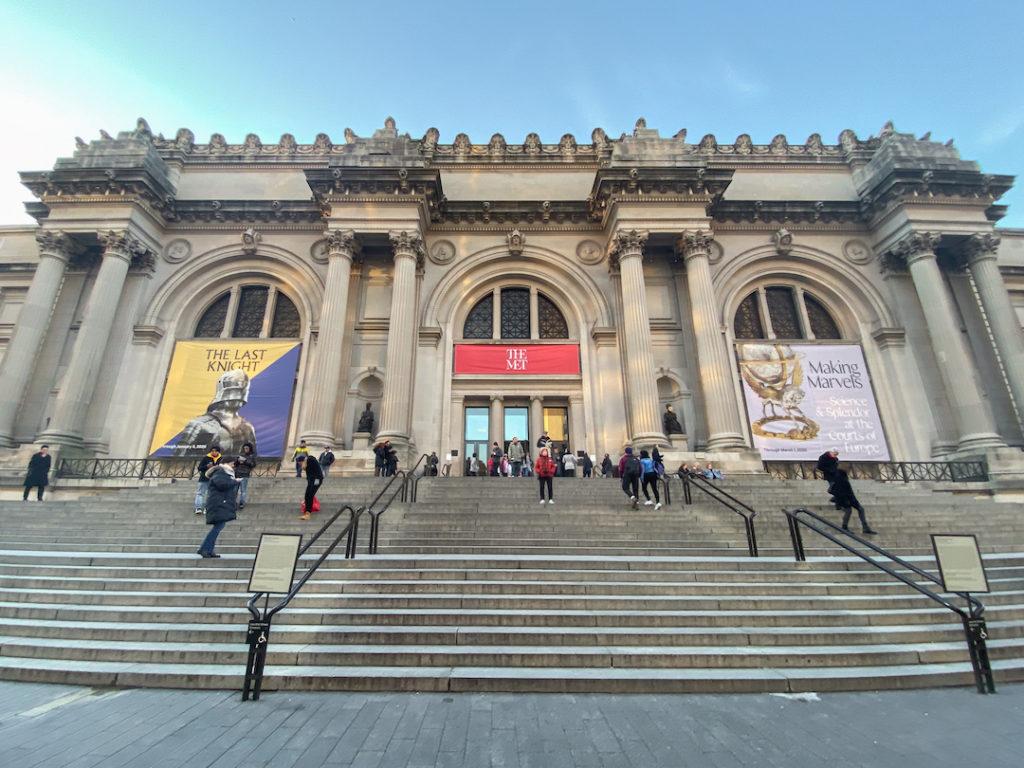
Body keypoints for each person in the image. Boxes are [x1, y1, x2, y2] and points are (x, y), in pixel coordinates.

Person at [172, 370, 258, 457]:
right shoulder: (199, 424)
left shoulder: (248, 428)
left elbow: (253, 457)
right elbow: (178, 457)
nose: (237, 397)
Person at [197, 460, 239, 559]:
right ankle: (205, 549)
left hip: (220, 504)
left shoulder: (224, 473)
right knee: (217, 528)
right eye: (232, 463)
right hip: (218, 504)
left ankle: (207, 549)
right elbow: (222, 485)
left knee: (218, 527)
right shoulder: (221, 472)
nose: (234, 466)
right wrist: (235, 481)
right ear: (226, 463)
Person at [831, 469, 877, 535]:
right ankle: (863, 527)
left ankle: (848, 527)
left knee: (851, 510)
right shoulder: (842, 481)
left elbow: (837, 491)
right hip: (848, 499)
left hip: (847, 499)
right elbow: (846, 492)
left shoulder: (838, 481)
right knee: (855, 510)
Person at [194, 446, 222, 515]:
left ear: (218, 452)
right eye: (212, 451)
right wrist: (206, 466)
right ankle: (198, 508)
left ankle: (207, 508)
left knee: (211, 494)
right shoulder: (206, 458)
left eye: (215, 451)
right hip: (204, 478)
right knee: (200, 493)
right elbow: (199, 468)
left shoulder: (221, 459)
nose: (214, 452)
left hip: (214, 479)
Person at [299, 453, 324, 521]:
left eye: (300, 463)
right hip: (312, 480)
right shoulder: (307, 465)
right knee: (307, 495)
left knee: (310, 494)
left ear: (302, 461)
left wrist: (305, 461)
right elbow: (309, 475)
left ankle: (308, 513)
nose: (300, 465)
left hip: (317, 480)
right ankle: (307, 511)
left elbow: (312, 461)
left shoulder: (310, 459)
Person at [234, 442, 256, 509]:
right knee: (235, 490)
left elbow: (253, 465)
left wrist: (245, 461)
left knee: (243, 490)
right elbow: (235, 464)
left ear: (250, 449)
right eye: (244, 448)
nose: (245, 449)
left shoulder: (252, 456)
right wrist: (238, 461)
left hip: (245, 475)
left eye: (247, 448)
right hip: (237, 474)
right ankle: (233, 503)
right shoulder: (241, 455)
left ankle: (241, 503)